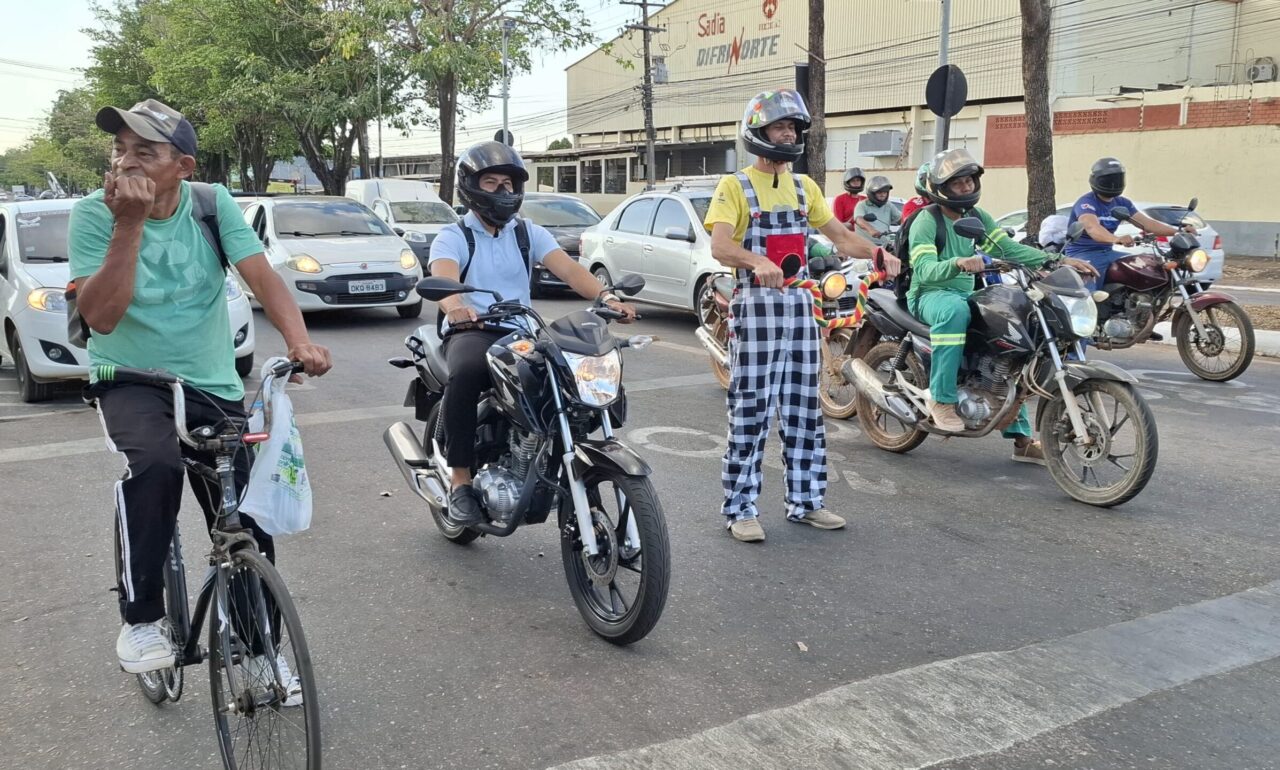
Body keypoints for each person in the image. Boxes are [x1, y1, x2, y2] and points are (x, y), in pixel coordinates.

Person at [69, 99, 332, 680]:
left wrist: (299, 342)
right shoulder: (93, 213)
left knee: (244, 515)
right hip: (128, 378)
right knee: (156, 467)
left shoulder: (212, 204)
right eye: (120, 149)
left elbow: (261, 275)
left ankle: (260, 653)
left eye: (145, 151)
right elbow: (101, 319)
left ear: (183, 166)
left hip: (210, 383)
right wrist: (128, 224)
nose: (125, 161)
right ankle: (141, 619)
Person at [704, 89, 900, 543]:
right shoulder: (735, 187)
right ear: (759, 132)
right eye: (780, 126)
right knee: (751, 411)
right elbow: (720, 245)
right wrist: (756, 261)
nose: (789, 134)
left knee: (803, 411)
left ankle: (806, 502)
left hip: (800, 310)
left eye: (793, 127)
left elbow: (840, 237)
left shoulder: (803, 187)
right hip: (756, 307)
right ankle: (740, 509)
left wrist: (877, 253)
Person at [429, 141, 637, 525]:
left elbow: (570, 271)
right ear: (470, 187)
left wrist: (607, 297)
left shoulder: (528, 233)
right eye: (491, 182)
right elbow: (444, 275)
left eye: (508, 183)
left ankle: (558, 454)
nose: (502, 191)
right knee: (467, 372)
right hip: (474, 329)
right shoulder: (454, 236)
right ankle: (460, 480)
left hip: (522, 331)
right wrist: (455, 306)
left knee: (573, 373)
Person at [905, 148, 1096, 461]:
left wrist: (1056, 260)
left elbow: (1006, 247)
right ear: (942, 189)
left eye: (969, 181)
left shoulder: (977, 217)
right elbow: (924, 269)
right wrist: (957, 263)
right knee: (955, 312)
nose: (966, 187)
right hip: (930, 294)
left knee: (1015, 336)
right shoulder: (926, 221)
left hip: (965, 293)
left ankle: (1021, 438)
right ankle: (941, 399)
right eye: (958, 183)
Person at [1065, 157, 1194, 292]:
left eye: (1117, 179)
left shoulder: (1122, 203)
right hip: (1083, 254)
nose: (1113, 184)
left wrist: (1178, 231)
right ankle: (1089, 304)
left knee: (1149, 267)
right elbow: (1092, 228)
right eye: (1108, 179)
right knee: (1087, 287)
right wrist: (1116, 239)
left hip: (1109, 252)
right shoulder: (1086, 203)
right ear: (1096, 180)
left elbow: (1147, 223)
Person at [854, 175, 901, 246]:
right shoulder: (862, 205)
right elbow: (859, 220)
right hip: (865, 245)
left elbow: (901, 219)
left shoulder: (889, 205)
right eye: (879, 192)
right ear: (871, 193)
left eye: (885, 192)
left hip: (884, 245)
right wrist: (871, 230)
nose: (882, 195)